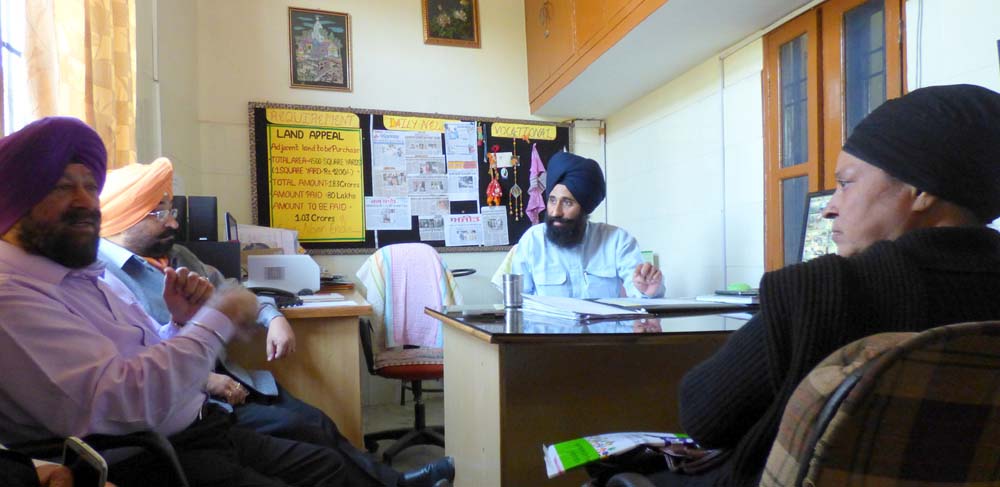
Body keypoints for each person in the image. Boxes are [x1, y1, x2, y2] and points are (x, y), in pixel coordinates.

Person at [0, 117, 451, 487]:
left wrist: (185, 322)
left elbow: (214, 303)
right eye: (62, 186)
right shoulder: (20, 294)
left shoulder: (100, 272)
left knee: (321, 448)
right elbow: (124, 395)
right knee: (308, 436)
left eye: (88, 186)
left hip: (200, 418)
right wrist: (216, 318)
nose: (86, 201)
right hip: (160, 445)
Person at [642, 84, 1000, 487]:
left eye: (846, 183)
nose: (830, 207)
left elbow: (704, 417)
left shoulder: (822, 293)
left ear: (921, 190)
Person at [96, 158, 453, 487]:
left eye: (171, 210)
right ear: (127, 216)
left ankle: (394, 483)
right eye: (160, 213)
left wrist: (274, 316)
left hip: (233, 382)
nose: (173, 222)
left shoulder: (177, 256)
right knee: (310, 436)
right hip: (199, 400)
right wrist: (205, 379)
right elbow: (129, 364)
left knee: (318, 423)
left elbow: (234, 290)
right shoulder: (103, 278)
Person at [511, 151, 663, 298]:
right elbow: (519, 302)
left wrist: (646, 291)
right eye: (552, 200)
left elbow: (640, 291)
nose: (556, 212)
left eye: (567, 202)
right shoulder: (533, 241)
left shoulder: (617, 241)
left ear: (584, 207)